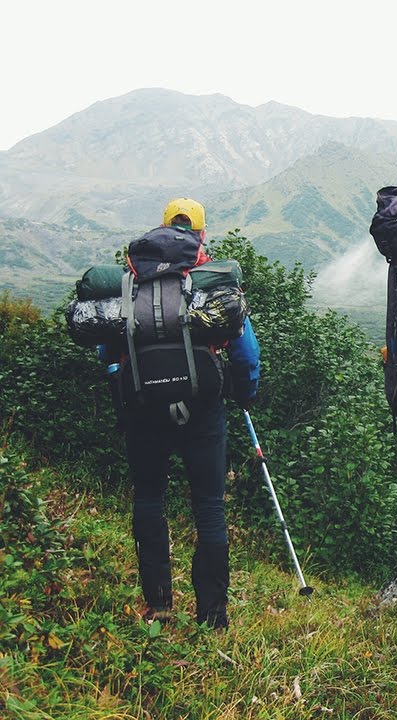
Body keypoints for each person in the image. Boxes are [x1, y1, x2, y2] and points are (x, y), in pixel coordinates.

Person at [108, 197, 261, 628]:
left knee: (149, 498)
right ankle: (212, 617)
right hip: (202, 410)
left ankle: (158, 605)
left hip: (143, 410)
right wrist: (243, 393)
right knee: (209, 508)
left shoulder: (131, 280)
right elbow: (246, 354)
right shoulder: (212, 281)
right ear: (201, 235)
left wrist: (128, 383)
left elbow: (108, 349)